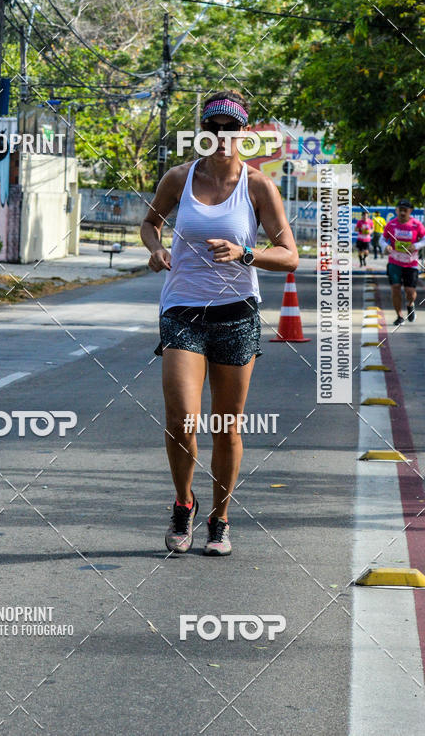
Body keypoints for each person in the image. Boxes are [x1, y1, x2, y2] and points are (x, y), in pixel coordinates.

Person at [140, 90, 299, 557]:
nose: (223, 137)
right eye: (213, 128)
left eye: (232, 129)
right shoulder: (179, 178)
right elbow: (150, 223)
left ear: (245, 134)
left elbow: (289, 255)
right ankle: (183, 504)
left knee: (227, 425)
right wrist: (155, 248)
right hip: (183, 311)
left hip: (237, 314)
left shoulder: (257, 187)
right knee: (180, 419)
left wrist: (246, 252)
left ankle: (220, 518)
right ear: (203, 132)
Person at [383, 199, 425, 325]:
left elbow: (424, 239)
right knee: (395, 288)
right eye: (400, 210)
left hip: (411, 263)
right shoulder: (391, 224)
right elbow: (382, 239)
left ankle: (410, 305)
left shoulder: (416, 225)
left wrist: (416, 245)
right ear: (396, 210)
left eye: (405, 210)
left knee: (410, 292)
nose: (402, 213)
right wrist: (386, 246)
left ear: (410, 211)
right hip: (394, 261)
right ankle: (399, 316)